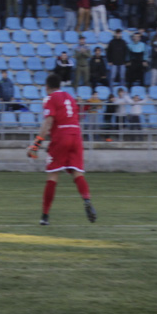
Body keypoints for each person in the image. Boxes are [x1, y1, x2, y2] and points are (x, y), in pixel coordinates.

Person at [28, 73, 96, 225]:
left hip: (61, 137)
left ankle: (45, 216)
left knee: (52, 176)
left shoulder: (51, 99)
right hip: (76, 136)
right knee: (77, 173)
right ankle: (86, 199)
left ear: (47, 87)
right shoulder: (70, 97)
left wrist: (37, 143)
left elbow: (48, 122)